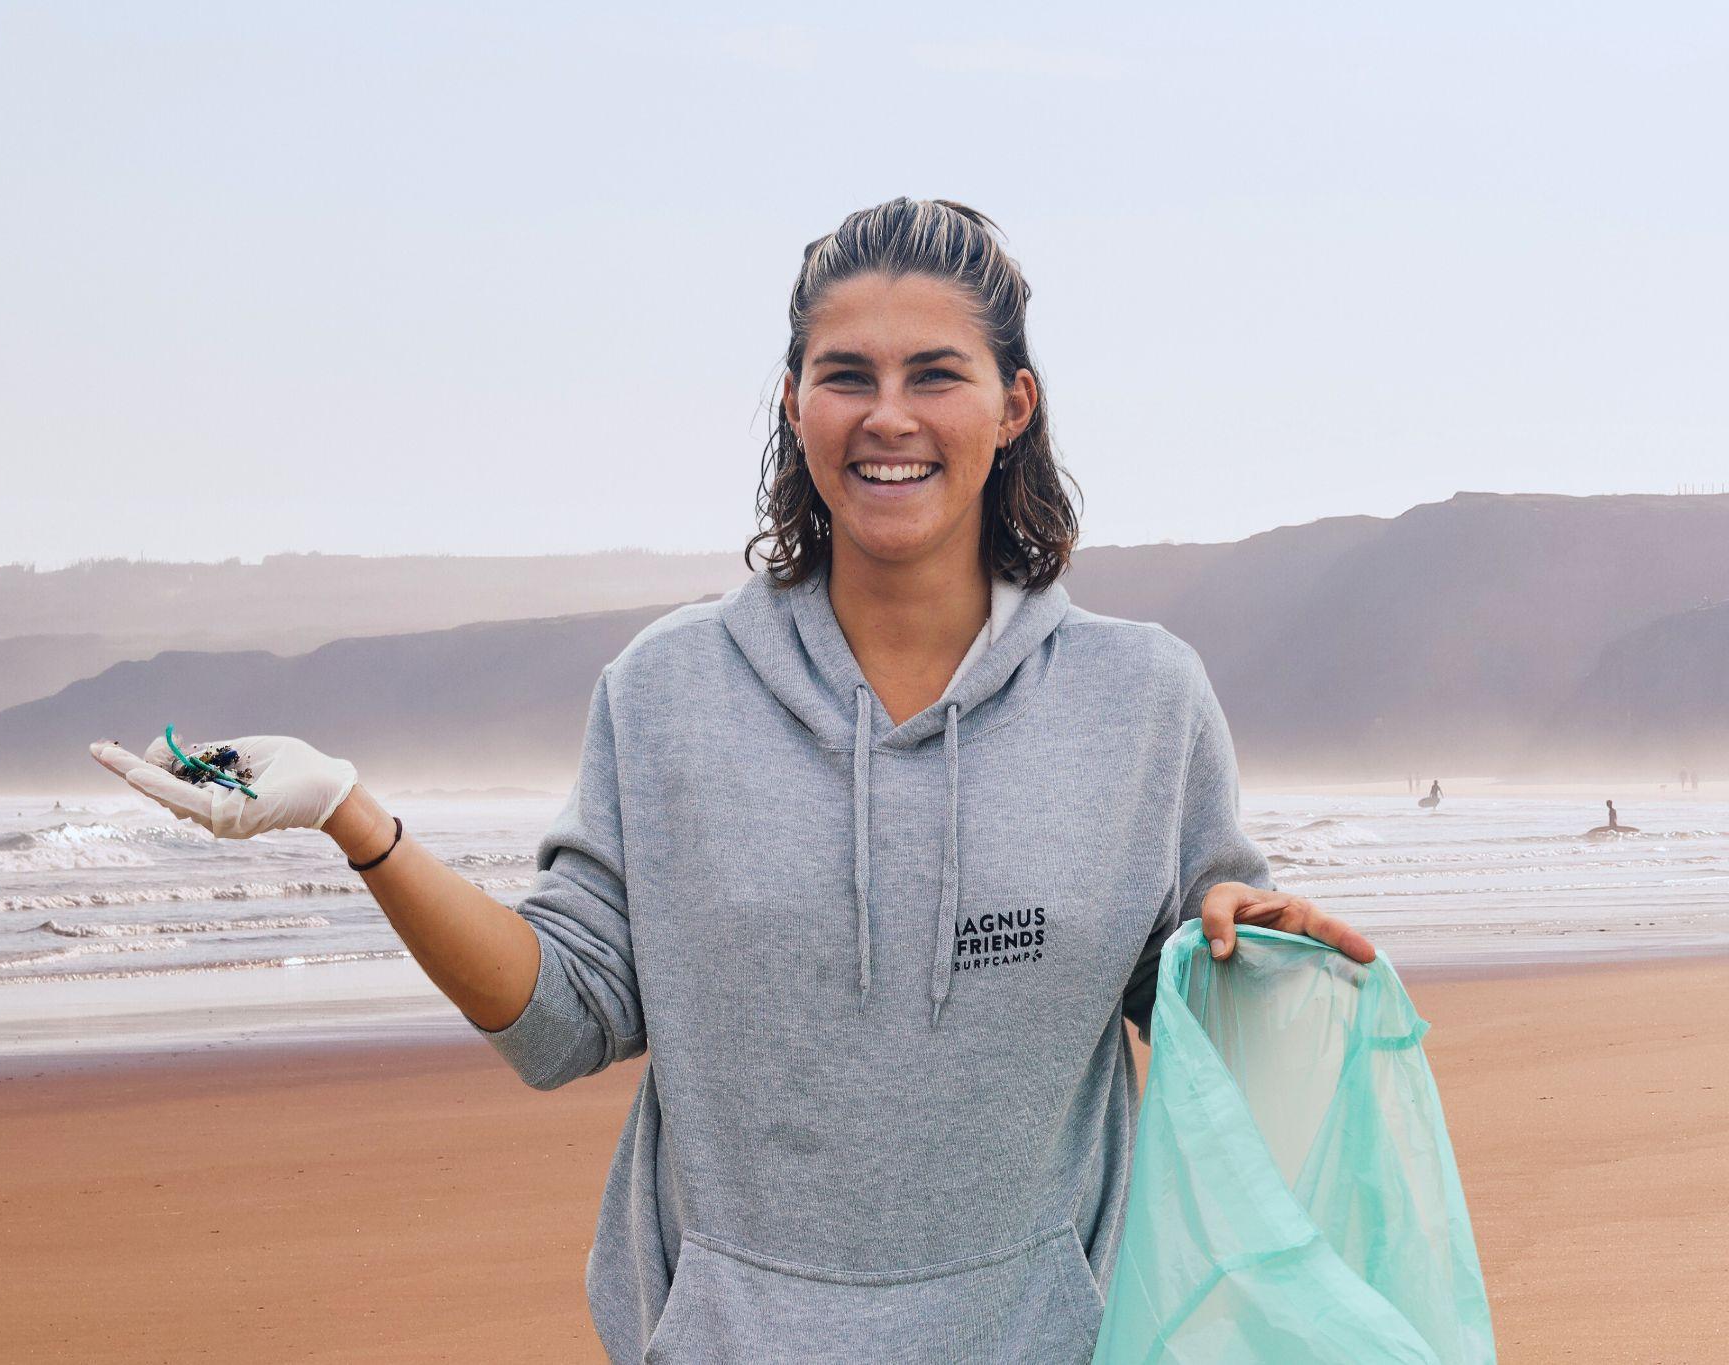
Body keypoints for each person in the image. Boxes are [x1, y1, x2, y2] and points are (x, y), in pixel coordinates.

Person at [91, 197, 1376, 1362]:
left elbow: (1203, 1013)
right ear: (791, 402)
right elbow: (558, 1023)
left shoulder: (1140, 699)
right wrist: (348, 816)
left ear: (1014, 407)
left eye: (936, 374)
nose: (887, 414)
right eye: (844, 375)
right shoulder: (665, 693)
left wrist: (1255, 956)